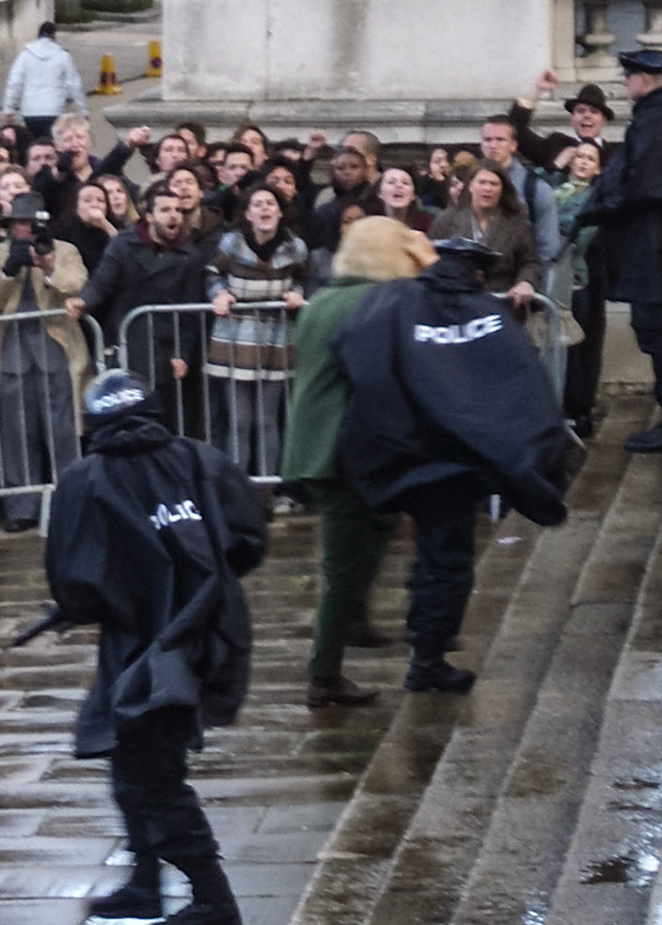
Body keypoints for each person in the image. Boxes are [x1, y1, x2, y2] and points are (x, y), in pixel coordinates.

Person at [43, 369, 269, 925]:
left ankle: (214, 900)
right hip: (205, 632)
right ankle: (145, 881)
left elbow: (75, 581)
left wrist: (114, 600)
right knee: (126, 755)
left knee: (153, 777)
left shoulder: (85, 481)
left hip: (146, 644)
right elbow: (248, 538)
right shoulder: (202, 460)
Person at [333, 238, 570, 695]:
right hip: (457, 464)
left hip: (408, 454)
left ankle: (425, 639)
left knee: (430, 552)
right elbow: (520, 383)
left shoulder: (392, 301)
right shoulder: (488, 315)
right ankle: (428, 655)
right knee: (448, 560)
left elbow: (352, 351)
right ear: (478, 274)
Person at [283, 217, 433, 708]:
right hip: (349, 448)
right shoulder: (380, 302)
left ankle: (357, 620)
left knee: (379, 525)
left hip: (323, 445)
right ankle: (323, 675)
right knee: (343, 565)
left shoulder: (321, 302)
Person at [577, 49, 662, 455]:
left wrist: (593, 211)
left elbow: (639, 182)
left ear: (644, 79)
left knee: (658, 327)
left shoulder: (660, 119)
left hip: (661, 241)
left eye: (627, 76)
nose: (624, 84)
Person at [0, 189, 90, 533]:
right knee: (14, 432)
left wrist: (49, 265)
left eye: (29, 223)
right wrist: (9, 269)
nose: (23, 230)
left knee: (62, 431)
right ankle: (21, 507)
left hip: (56, 349)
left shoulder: (65, 249)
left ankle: (68, 502)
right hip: (11, 350)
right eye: (17, 223)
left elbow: (77, 284)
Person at [68, 180, 208, 440]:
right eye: (165, 210)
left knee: (165, 420)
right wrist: (83, 300)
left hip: (166, 348)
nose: (173, 215)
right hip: (126, 341)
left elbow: (190, 309)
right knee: (126, 417)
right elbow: (102, 281)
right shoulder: (123, 244)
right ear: (149, 215)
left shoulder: (191, 255)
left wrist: (183, 352)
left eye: (177, 210)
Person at [207, 185, 310, 478]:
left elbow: (302, 279)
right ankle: (238, 486)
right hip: (235, 334)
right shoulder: (231, 243)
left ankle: (268, 486)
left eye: (270, 203)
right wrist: (219, 294)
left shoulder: (295, 247)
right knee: (239, 420)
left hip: (275, 336)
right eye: (257, 204)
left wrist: (297, 294)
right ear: (248, 213)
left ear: (279, 211)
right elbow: (212, 274)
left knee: (266, 420)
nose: (264, 208)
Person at [429, 160, 540, 305]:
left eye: (493, 184)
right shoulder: (446, 220)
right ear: (470, 186)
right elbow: (430, 258)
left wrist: (526, 282)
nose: (487, 188)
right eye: (482, 182)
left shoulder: (516, 222)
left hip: (502, 302)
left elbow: (530, 261)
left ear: (502, 189)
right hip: (456, 302)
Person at [555, 141, 607, 437]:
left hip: (577, 277)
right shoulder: (552, 188)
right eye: (579, 156)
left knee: (577, 346)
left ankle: (578, 408)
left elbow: (580, 230)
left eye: (590, 158)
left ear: (597, 167)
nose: (583, 162)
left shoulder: (595, 196)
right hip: (550, 278)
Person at [479, 115, 562, 279]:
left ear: (513, 145)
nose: (493, 146)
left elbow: (548, 250)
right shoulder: (468, 185)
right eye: (487, 140)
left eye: (500, 140)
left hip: (519, 284)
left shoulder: (536, 189)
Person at [510, 70, 614, 173]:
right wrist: (537, 90)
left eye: (594, 112)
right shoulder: (555, 144)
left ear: (604, 121)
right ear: (572, 118)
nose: (587, 116)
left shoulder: (615, 153)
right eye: (580, 111)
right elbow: (514, 131)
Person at [2, 21, 85, 138]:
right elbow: (74, 84)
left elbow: (14, 83)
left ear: (38, 34)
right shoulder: (63, 56)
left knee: (32, 148)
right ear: (54, 36)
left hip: (29, 111)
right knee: (51, 149)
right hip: (54, 110)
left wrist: (9, 108)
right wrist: (82, 110)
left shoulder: (25, 55)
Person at [374, 167, 435, 231]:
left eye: (405, 183)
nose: (399, 185)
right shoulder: (370, 224)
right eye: (391, 182)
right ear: (380, 193)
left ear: (413, 195)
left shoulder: (427, 223)